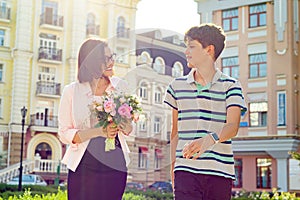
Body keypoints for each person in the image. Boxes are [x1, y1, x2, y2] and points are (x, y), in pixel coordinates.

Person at [163, 23, 247, 200]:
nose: (186, 51)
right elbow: (175, 132)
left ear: (209, 50)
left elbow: (232, 126)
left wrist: (207, 141)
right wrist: (173, 169)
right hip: (185, 171)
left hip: (219, 172)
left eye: (192, 46)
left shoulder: (231, 86)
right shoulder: (176, 87)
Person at [58, 38, 132, 200]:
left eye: (112, 56)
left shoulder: (120, 86)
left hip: (114, 162)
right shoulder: (71, 91)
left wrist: (121, 121)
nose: (112, 61)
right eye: (106, 58)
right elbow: (64, 134)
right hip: (83, 164)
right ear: (91, 61)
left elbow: (128, 129)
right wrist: (98, 131)